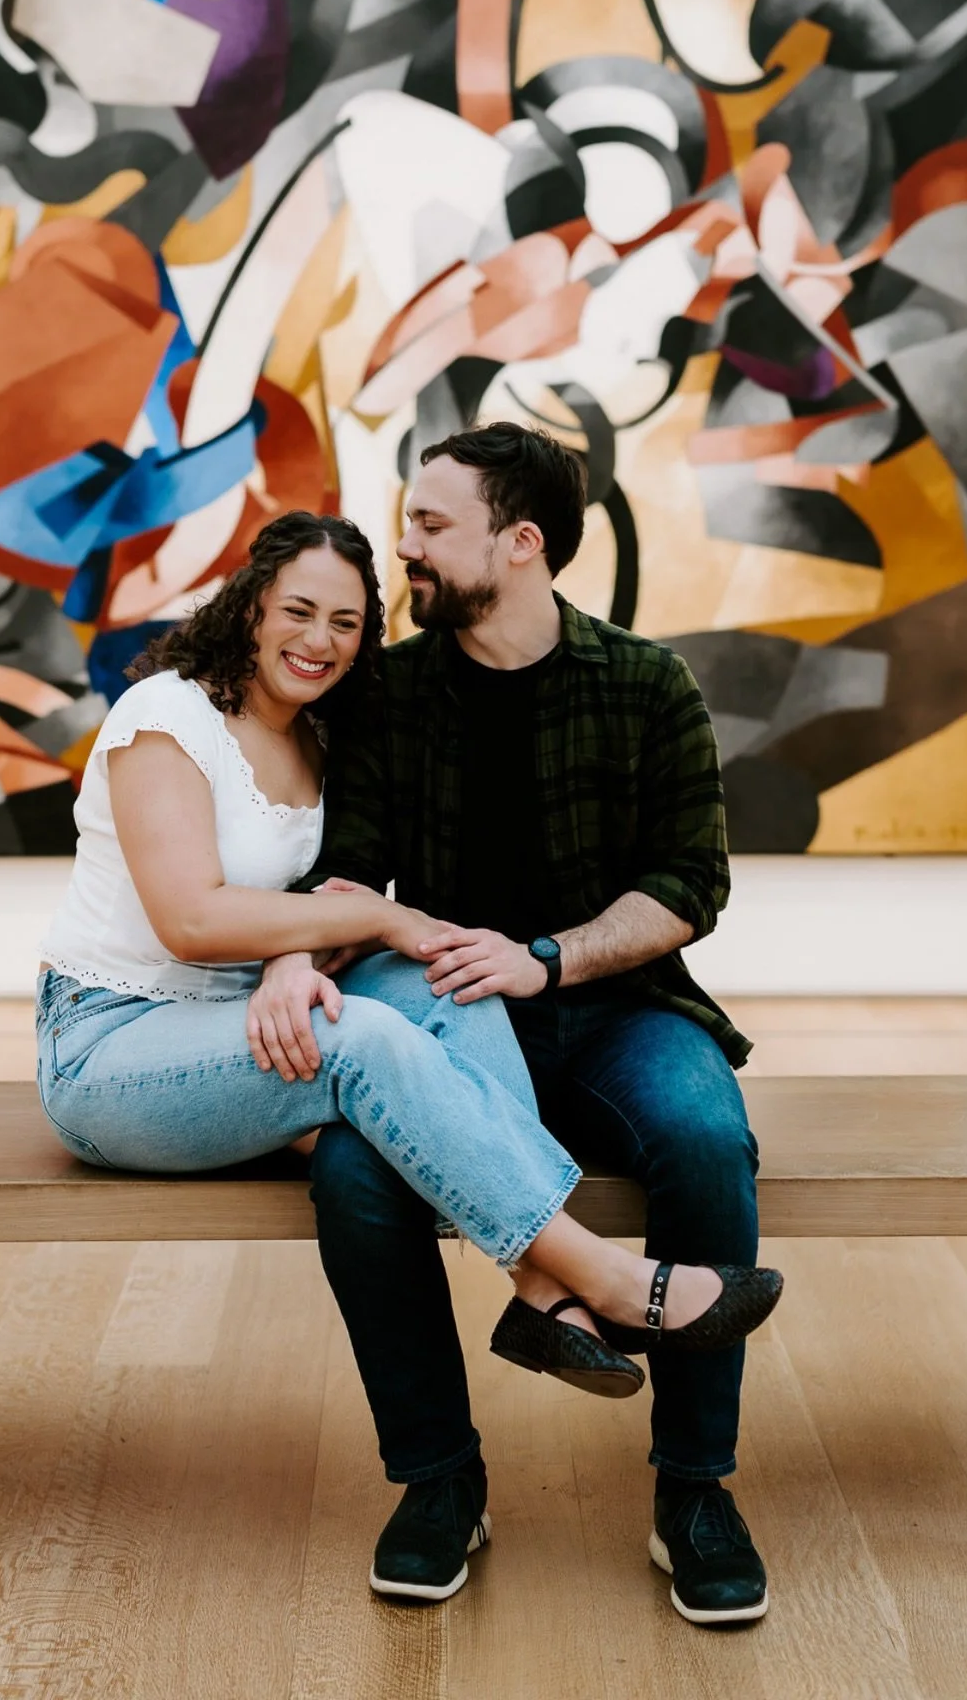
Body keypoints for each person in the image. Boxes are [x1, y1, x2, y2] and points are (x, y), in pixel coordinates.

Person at [36, 508, 781, 1601]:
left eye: (346, 619)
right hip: (114, 1042)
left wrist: (327, 948)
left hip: (253, 1022)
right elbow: (196, 921)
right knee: (373, 1032)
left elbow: (322, 890)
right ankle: (587, 1281)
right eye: (298, 611)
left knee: (441, 976)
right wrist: (371, 929)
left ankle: (636, 1413)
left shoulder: (329, 726)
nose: (322, 639)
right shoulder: (164, 717)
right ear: (247, 603)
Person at [247, 430, 773, 1625]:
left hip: (616, 1012)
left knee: (706, 1139)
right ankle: (440, 1481)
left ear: (519, 543)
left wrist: (546, 960)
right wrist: (296, 949)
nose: (406, 546)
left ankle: (695, 1492)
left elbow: (690, 884)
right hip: (436, 1025)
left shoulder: (647, 683)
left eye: (431, 524)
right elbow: (351, 868)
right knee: (355, 1185)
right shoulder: (384, 692)